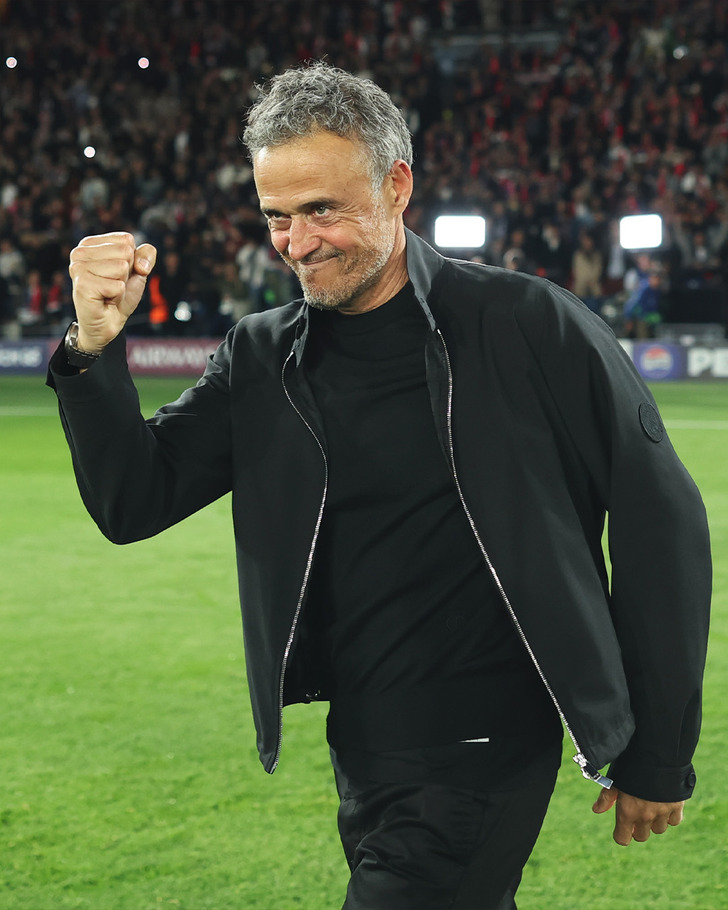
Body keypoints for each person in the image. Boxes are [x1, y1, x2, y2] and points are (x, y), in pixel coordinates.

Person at [48, 63, 711, 910]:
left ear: (397, 185)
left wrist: (660, 752)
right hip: (362, 740)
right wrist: (92, 348)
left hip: (485, 739)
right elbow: (133, 501)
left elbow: (662, 524)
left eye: (323, 210)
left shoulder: (526, 324)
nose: (297, 243)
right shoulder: (262, 355)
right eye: (277, 217)